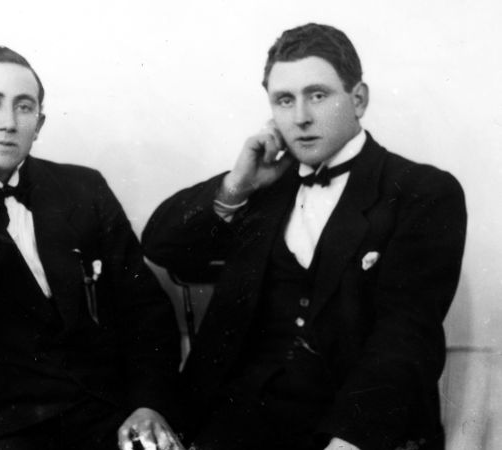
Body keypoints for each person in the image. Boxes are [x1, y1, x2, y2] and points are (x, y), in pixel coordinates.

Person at [142, 23, 467, 450]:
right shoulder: (261, 187)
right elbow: (161, 245)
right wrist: (236, 186)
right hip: (235, 418)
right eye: (284, 100)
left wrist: (350, 439)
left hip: (350, 426)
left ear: (358, 99)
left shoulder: (421, 191)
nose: (300, 118)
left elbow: (405, 336)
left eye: (317, 95)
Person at [0, 45, 183, 450]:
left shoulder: (85, 190)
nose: (9, 123)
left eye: (24, 107)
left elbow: (145, 311)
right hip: (4, 431)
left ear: (39, 123)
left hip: (111, 412)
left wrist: (148, 405)